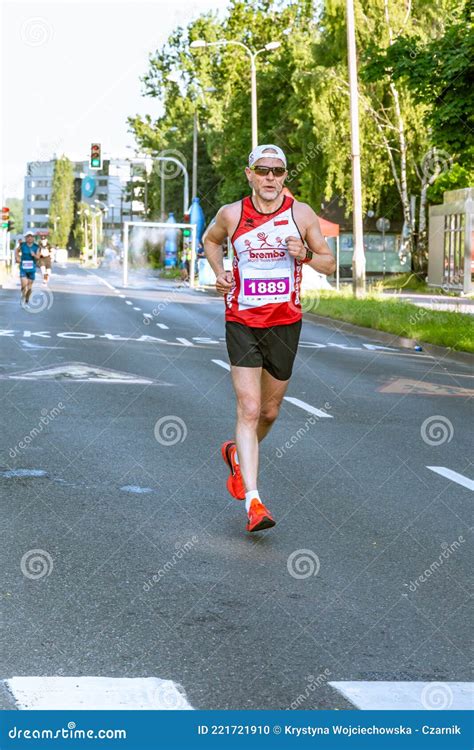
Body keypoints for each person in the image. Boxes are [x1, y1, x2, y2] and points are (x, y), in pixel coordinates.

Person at [203, 144, 336, 533]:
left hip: (284, 322)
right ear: (250, 174)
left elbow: (328, 263)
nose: (270, 178)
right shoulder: (232, 214)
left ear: (285, 176)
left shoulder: (301, 214)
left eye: (278, 172)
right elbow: (211, 241)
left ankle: (237, 456)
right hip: (242, 319)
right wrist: (220, 271)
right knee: (248, 407)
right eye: (263, 170)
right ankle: (254, 502)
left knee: (269, 413)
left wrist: (306, 255)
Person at [15, 230, 40, 306]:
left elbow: (38, 257)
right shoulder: (22, 245)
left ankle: (27, 298)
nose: (29, 238)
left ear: (33, 238)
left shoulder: (36, 247)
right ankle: (23, 296)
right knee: (23, 285)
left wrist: (34, 255)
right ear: (25, 238)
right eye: (28, 237)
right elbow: (16, 251)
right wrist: (17, 257)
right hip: (23, 268)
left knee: (29, 287)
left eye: (31, 236)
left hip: (32, 269)